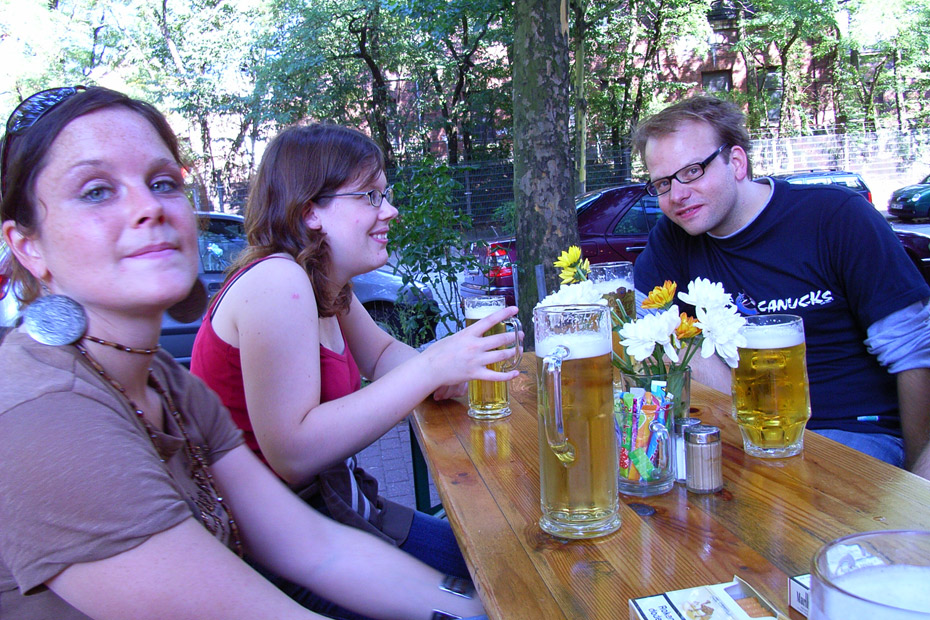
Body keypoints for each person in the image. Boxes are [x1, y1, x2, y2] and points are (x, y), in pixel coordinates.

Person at [0, 85, 487, 620]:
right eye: (95, 191)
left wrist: (481, 610)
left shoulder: (167, 381)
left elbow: (314, 547)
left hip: (342, 514)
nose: (148, 207)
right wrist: (431, 370)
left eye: (163, 183)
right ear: (28, 247)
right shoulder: (43, 413)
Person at [189, 123, 520, 580]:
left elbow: (382, 354)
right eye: (370, 196)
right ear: (310, 211)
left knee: (508, 556)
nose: (391, 211)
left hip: (337, 509)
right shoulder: (276, 281)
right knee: (507, 579)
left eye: (384, 195)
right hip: (275, 553)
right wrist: (428, 369)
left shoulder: (323, 282)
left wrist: (451, 370)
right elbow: (293, 450)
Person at [632, 95, 930, 480]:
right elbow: (644, 327)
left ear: (736, 162)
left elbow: (914, 353)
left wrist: (916, 479)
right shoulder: (673, 236)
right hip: (744, 435)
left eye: (691, 172)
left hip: (851, 432)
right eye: (662, 183)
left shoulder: (835, 216)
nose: (676, 195)